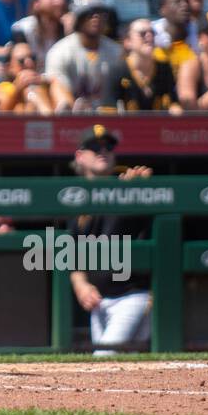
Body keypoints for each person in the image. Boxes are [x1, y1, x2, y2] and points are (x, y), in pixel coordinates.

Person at [68, 126, 154, 355]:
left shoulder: (130, 189)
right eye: (94, 147)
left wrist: (137, 192)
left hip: (132, 296)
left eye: (108, 147)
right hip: (99, 302)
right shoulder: (74, 200)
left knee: (103, 359)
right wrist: (81, 285)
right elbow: (71, 256)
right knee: (123, 369)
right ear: (80, 156)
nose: (102, 151)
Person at [44, 0, 124, 112]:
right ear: (78, 19)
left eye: (101, 14)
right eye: (90, 14)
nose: (96, 18)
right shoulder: (60, 51)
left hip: (108, 114)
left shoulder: (116, 51)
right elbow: (57, 87)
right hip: (73, 115)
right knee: (55, 85)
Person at [108, 18, 181, 112]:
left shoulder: (164, 68)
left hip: (158, 125)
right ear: (128, 42)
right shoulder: (116, 70)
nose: (149, 36)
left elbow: (174, 103)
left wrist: (175, 110)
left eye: (152, 32)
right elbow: (108, 111)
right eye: (142, 33)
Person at [11, 0, 69, 68]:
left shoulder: (70, 28)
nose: (60, 1)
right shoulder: (23, 29)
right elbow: (19, 66)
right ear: (36, 3)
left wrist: (70, 32)